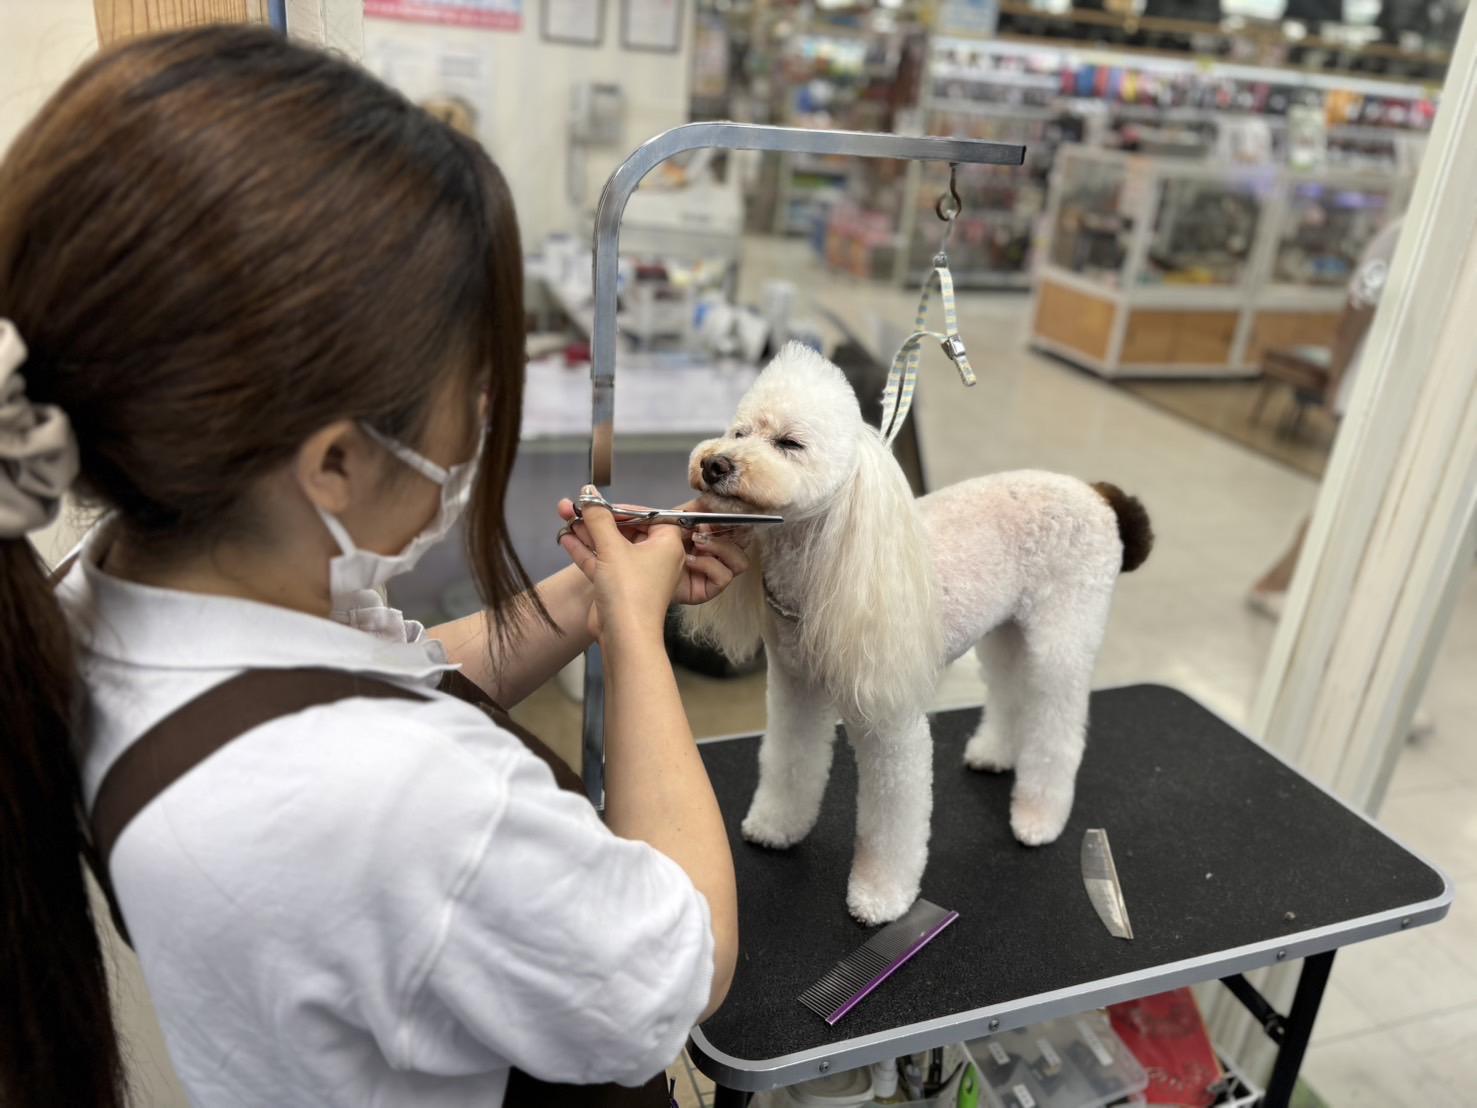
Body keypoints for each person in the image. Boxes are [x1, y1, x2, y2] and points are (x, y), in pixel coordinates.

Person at [0, 27, 745, 1107]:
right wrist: (638, 635)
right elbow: (685, 960)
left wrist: (588, 595)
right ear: (337, 461)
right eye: (472, 383)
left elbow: (390, 673)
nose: (483, 416)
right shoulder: (400, 801)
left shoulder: (100, 597)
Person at [1247, 215, 1404, 617]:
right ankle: (1276, 584)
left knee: (1365, 505)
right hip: (1371, 391)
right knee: (1345, 500)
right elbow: (1359, 301)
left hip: (1397, 398)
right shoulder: (1403, 230)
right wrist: (1337, 374)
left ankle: (1297, 588)